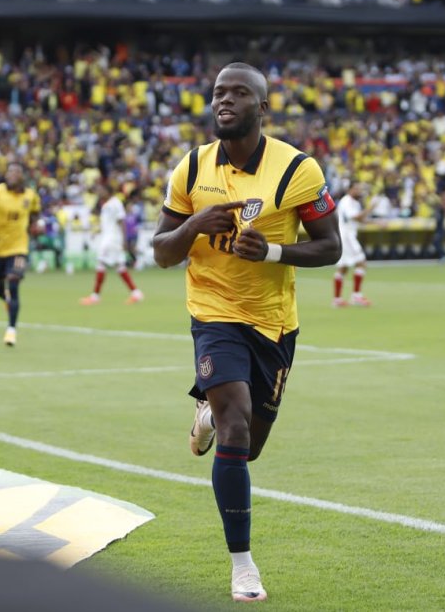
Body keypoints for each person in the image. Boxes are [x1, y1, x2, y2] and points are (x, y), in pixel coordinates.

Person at [152, 62, 341, 603]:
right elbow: (163, 253)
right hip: (213, 313)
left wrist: (274, 251)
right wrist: (193, 226)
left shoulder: (298, 170)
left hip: (274, 324)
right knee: (234, 431)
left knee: (247, 447)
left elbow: (331, 247)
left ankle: (208, 411)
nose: (224, 101)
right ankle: (243, 565)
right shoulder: (189, 170)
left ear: (263, 107)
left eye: (238, 93)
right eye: (217, 93)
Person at [0, 161, 40, 347]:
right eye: (9, 172)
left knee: (13, 281)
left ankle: (11, 330)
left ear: (22, 176)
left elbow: (36, 213)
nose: (11, 175)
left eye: (15, 172)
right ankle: (6, 301)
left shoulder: (30, 195)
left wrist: (33, 226)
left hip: (19, 248)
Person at [80, 184, 143, 305]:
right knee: (120, 267)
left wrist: (124, 240)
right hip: (108, 238)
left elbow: (121, 221)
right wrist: (97, 231)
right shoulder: (106, 205)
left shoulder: (115, 203)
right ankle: (136, 293)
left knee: (101, 262)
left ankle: (95, 296)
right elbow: (108, 224)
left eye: (101, 189)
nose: (99, 192)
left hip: (112, 240)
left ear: (108, 190)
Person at [332, 183, 371, 307]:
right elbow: (355, 217)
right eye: (356, 188)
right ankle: (356, 296)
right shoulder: (346, 201)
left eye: (359, 188)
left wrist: (377, 222)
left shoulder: (355, 203)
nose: (358, 190)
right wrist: (371, 208)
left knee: (343, 267)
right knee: (361, 263)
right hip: (346, 236)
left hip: (346, 235)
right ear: (349, 190)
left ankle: (337, 300)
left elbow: (360, 220)